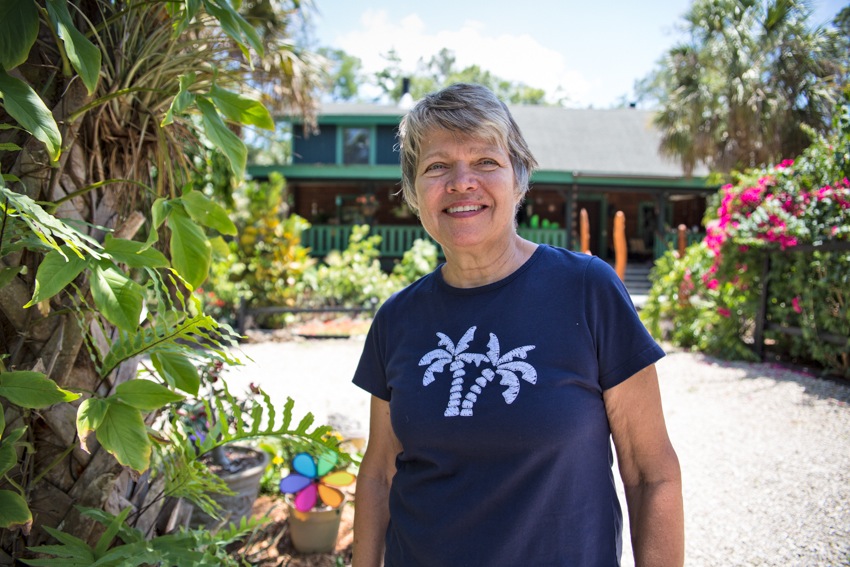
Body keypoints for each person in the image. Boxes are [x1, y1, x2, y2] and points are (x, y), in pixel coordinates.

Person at [351, 83, 683, 566]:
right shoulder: (397, 318)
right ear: (412, 192)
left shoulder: (589, 291)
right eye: (437, 166)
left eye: (486, 161)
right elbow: (380, 472)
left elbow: (651, 473)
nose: (462, 182)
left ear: (519, 177)